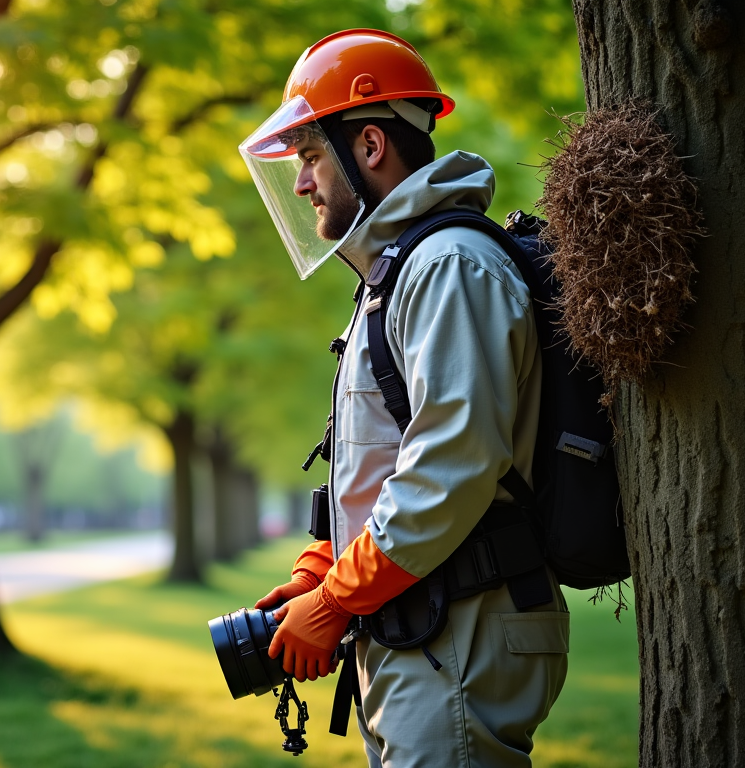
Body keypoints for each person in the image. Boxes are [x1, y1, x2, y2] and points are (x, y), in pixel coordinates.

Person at [239, 29, 569, 768]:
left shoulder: (450, 266)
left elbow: (451, 467)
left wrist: (334, 603)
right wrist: (319, 571)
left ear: (370, 147)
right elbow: (385, 465)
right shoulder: (398, 272)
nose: (300, 184)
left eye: (310, 155)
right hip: (425, 627)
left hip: (461, 629)